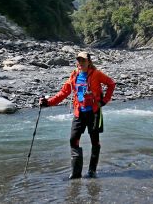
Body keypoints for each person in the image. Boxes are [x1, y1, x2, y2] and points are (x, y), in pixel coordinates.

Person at [39, 51, 116, 179]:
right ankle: (76, 174)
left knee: (95, 142)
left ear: (89, 62)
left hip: (94, 113)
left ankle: (92, 171)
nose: (80, 63)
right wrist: (48, 102)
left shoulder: (96, 74)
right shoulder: (74, 75)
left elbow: (111, 84)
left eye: (83, 60)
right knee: (73, 140)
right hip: (79, 113)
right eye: (79, 60)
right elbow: (64, 93)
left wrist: (104, 101)